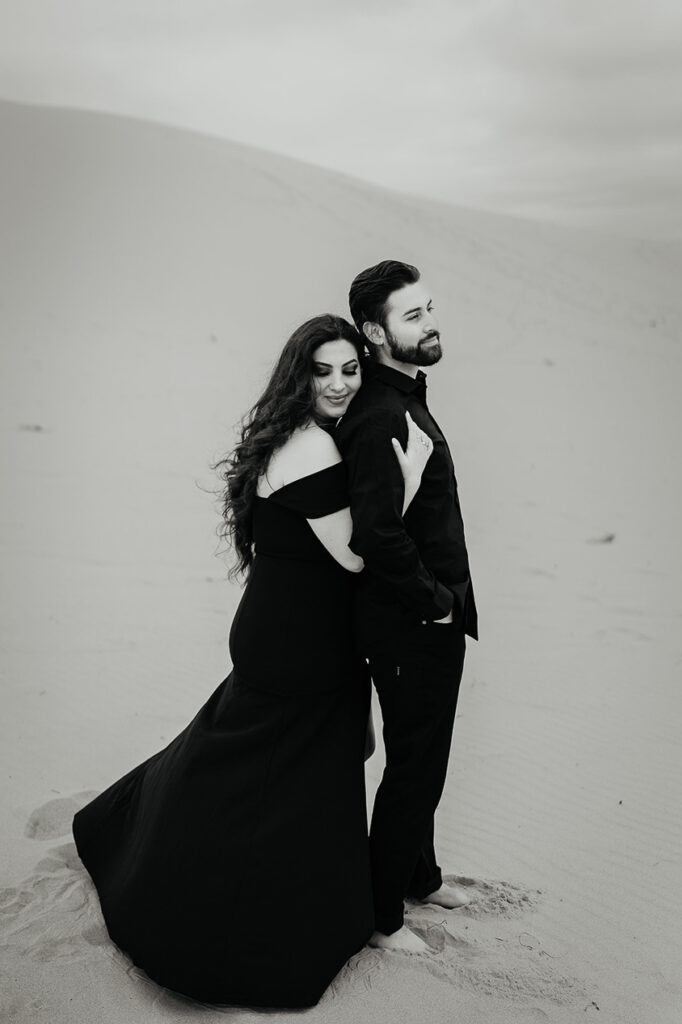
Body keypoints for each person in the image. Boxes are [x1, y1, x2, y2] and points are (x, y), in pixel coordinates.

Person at [72, 313, 433, 1008]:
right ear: (298, 374)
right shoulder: (308, 450)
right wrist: (407, 479)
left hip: (284, 631)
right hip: (297, 645)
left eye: (350, 369)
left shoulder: (303, 437)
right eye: (322, 370)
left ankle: (140, 837)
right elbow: (358, 553)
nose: (337, 383)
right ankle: (203, 899)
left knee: (251, 764)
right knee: (265, 777)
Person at [334, 261, 479, 954]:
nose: (431, 322)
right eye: (412, 315)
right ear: (374, 331)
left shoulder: (403, 395)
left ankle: (418, 876)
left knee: (424, 759)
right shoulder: (380, 414)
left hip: (425, 620)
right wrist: (435, 605)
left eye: (430, 308)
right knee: (413, 767)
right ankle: (380, 913)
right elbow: (376, 531)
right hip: (410, 624)